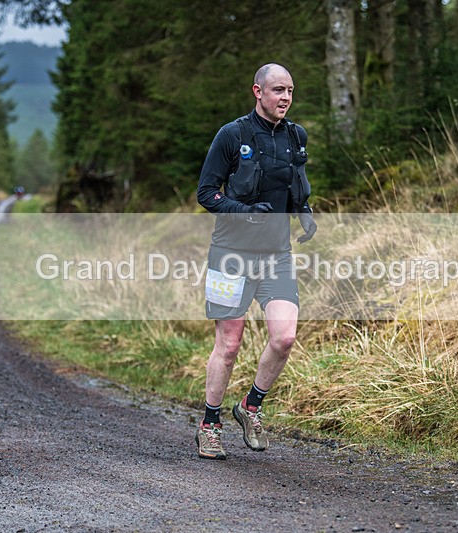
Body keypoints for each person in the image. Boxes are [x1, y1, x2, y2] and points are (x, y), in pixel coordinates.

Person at [195, 63, 317, 460]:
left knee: (284, 337)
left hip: (276, 256)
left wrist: (304, 212)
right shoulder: (233, 135)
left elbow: (293, 184)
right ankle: (210, 425)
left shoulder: (296, 136)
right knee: (229, 345)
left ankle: (250, 407)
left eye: (290, 91)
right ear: (257, 92)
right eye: (278, 90)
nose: (285, 98)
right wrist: (245, 212)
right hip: (231, 254)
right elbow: (207, 193)